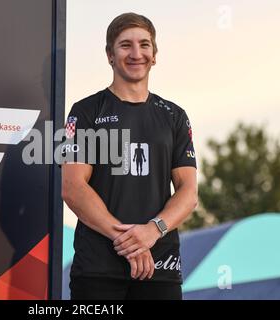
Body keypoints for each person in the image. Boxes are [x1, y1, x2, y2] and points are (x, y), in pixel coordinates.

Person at [61, 12, 198, 300]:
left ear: (155, 54)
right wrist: (130, 241)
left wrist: (152, 231)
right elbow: (73, 187)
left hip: (160, 267)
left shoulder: (174, 116)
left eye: (144, 45)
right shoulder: (85, 111)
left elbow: (188, 192)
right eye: (125, 45)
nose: (137, 53)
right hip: (98, 270)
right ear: (110, 55)